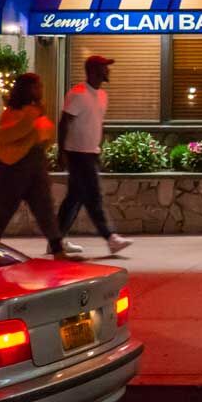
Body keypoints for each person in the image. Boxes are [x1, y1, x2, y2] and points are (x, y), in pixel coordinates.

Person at [0, 73, 73, 259]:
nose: (41, 89)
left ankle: (58, 250)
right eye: (36, 86)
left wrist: (37, 124)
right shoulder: (11, 112)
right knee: (4, 211)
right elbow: (6, 135)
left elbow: (45, 135)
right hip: (12, 169)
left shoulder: (36, 111)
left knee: (45, 208)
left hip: (35, 165)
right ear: (26, 89)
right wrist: (32, 121)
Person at [57, 55, 132, 255]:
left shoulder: (101, 95)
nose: (108, 71)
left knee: (75, 198)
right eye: (104, 68)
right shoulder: (78, 94)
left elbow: (97, 122)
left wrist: (99, 147)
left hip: (91, 152)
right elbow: (64, 123)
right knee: (93, 196)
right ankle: (110, 237)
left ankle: (56, 240)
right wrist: (61, 152)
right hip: (77, 153)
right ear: (93, 71)